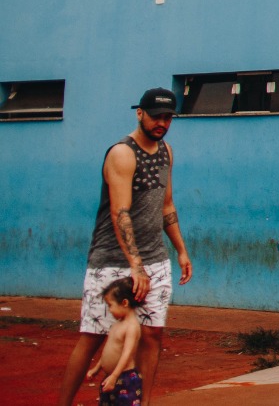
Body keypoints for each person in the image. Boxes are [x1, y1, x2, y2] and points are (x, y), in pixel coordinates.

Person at [57, 87, 194, 406]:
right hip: (111, 262)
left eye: (168, 118)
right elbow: (121, 213)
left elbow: (166, 205)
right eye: (156, 116)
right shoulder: (122, 153)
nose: (162, 123)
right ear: (139, 113)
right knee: (93, 337)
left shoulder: (166, 151)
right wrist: (135, 265)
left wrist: (181, 250)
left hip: (155, 260)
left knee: (152, 335)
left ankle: (143, 403)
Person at [84, 277, 141, 406]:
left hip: (125, 379)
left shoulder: (132, 327)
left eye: (110, 305)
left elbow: (127, 354)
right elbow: (109, 350)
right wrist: (97, 368)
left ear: (124, 303)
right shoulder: (117, 324)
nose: (109, 310)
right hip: (110, 376)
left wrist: (115, 376)